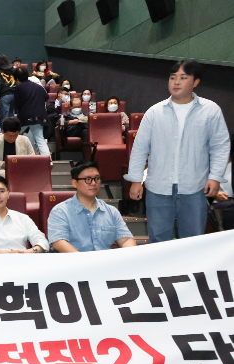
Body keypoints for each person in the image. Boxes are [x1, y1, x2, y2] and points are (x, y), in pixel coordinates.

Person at [125, 59, 231, 243]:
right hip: (158, 188)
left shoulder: (210, 110)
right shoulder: (154, 112)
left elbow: (220, 146)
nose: (176, 82)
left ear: (195, 82)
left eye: (183, 77)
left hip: (194, 188)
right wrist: (136, 180)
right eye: (173, 77)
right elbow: (140, 148)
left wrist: (215, 177)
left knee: (192, 241)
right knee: (159, 241)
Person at [50, 161, 136, 252]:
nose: (94, 183)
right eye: (88, 179)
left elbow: (126, 239)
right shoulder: (61, 211)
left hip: (105, 260)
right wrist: (84, 259)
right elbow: (58, 242)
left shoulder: (111, 211)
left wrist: (131, 254)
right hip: (75, 259)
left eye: (97, 178)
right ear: (75, 183)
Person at [13, 65, 51, 158]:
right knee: (31, 136)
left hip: (26, 116)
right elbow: (46, 97)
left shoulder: (19, 88)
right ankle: (31, 157)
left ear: (17, 79)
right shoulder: (38, 87)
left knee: (38, 138)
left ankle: (47, 160)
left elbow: (17, 104)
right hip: (40, 115)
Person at [0, 54, 16, 123]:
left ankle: (5, 129)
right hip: (14, 95)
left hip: (5, 95)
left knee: (4, 117)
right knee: (11, 115)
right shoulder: (13, 69)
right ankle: (13, 129)